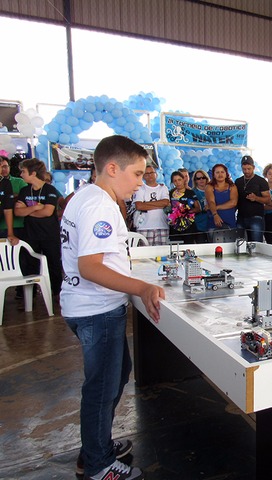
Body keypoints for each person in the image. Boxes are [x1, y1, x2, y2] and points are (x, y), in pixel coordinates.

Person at [60, 135, 164, 480]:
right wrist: (143, 286)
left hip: (88, 306)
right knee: (102, 389)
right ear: (112, 168)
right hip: (96, 310)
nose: (139, 183)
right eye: (136, 174)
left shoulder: (86, 196)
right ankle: (99, 466)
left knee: (115, 375)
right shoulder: (100, 206)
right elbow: (90, 266)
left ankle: (95, 446)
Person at [14, 159, 63, 295]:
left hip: (49, 235)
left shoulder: (50, 190)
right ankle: (30, 295)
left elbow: (47, 212)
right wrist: (36, 207)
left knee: (54, 265)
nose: (21, 174)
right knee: (30, 265)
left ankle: (57, 293)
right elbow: (18, 212)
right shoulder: (24, 191)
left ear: (33, 173)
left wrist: (28, 210)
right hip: (31, 235)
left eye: (23, 171)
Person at [132, 165, 170, 246]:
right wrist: (159, 204)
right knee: (144, 254)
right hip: (144, 227)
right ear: (143, 176)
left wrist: (145, 203)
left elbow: (165, 202)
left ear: (156, 174)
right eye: (147, 173)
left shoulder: (163, 188)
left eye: (151, 173)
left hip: (162, 226)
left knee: (162, 253)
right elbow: (139, 206)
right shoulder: (140, 188)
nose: (149, 175)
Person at [235, 155, 270, 242]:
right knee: (239, 243)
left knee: (256, 244)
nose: (246, 171)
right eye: (244, 169)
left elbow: (268, 200)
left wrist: (256, 198)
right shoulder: (238, 181)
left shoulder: (261, 181)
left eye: (249, 169)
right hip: (241, 217)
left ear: (253, 167)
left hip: (256, 217)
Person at [168, 170, 201, 244]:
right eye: (175, 181)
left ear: (183, 180)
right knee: (175, 247)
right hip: (175, 226)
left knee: (189, 247)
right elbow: (167, 207)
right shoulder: (170, 193)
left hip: (188, 225)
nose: (178, 182)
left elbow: (198, 208)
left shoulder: (190, 192)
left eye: (179, 180)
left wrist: (187, 211)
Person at [205, 163, 238, 235]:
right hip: (214, 221)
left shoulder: (232, 186)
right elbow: (211, 202)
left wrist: (216, 207)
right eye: (217, 172)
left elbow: (233, 203)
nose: (220, 174)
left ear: (226, 174)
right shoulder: (209, 187)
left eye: (222, 172)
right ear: (213, 174)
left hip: (230, 221)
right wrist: (215, 215)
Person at [0, 155, 25, 243]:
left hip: (16, 224)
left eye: (4, 166)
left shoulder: (12, 182)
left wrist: (10, 233)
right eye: (0, 166)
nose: (3, 169)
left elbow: (8, 209)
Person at [191, 169, 211, 243]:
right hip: (199, 225)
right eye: (198, 178)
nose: (201, 180)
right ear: (195, 180)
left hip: (213, 223)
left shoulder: (212, 190)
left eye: (203, 177)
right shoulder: (192, 192)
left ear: (207, 178)